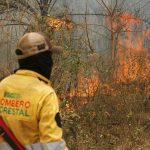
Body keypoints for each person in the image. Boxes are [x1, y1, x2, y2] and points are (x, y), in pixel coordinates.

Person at [0, 32, 68, 150]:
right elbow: (52, 146)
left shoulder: (2, 86)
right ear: (42, 59)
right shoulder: (45, 94)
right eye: (49, 56)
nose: (51, 62)